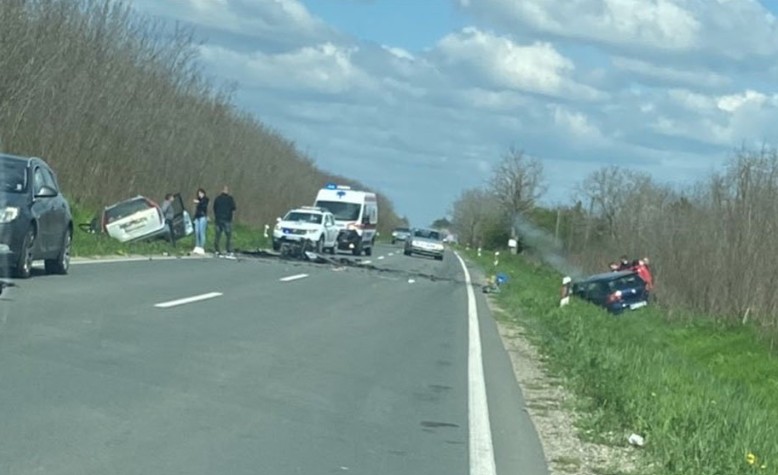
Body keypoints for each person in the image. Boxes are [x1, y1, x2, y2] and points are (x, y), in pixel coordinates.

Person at [213, 185, 236, 256]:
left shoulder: (217, 199)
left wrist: (217, 215)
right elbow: (234, 207)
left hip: (219, 219)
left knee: (218, 235)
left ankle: (217, 249)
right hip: (227, 219)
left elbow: (214, 208)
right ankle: (228, 249)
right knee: (228, 235)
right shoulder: (230, 199)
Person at [192, 188, 209, 255]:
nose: (199, 195)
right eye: (199, 194)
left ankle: (201, 247)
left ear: (203, 193)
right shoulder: (198, 200)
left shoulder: (205, 199)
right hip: (197, 217)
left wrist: (198, 202)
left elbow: (204, 205)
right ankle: (197, 246)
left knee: (201, 232)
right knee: (196, 232)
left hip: (202, 217)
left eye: (201, 193)